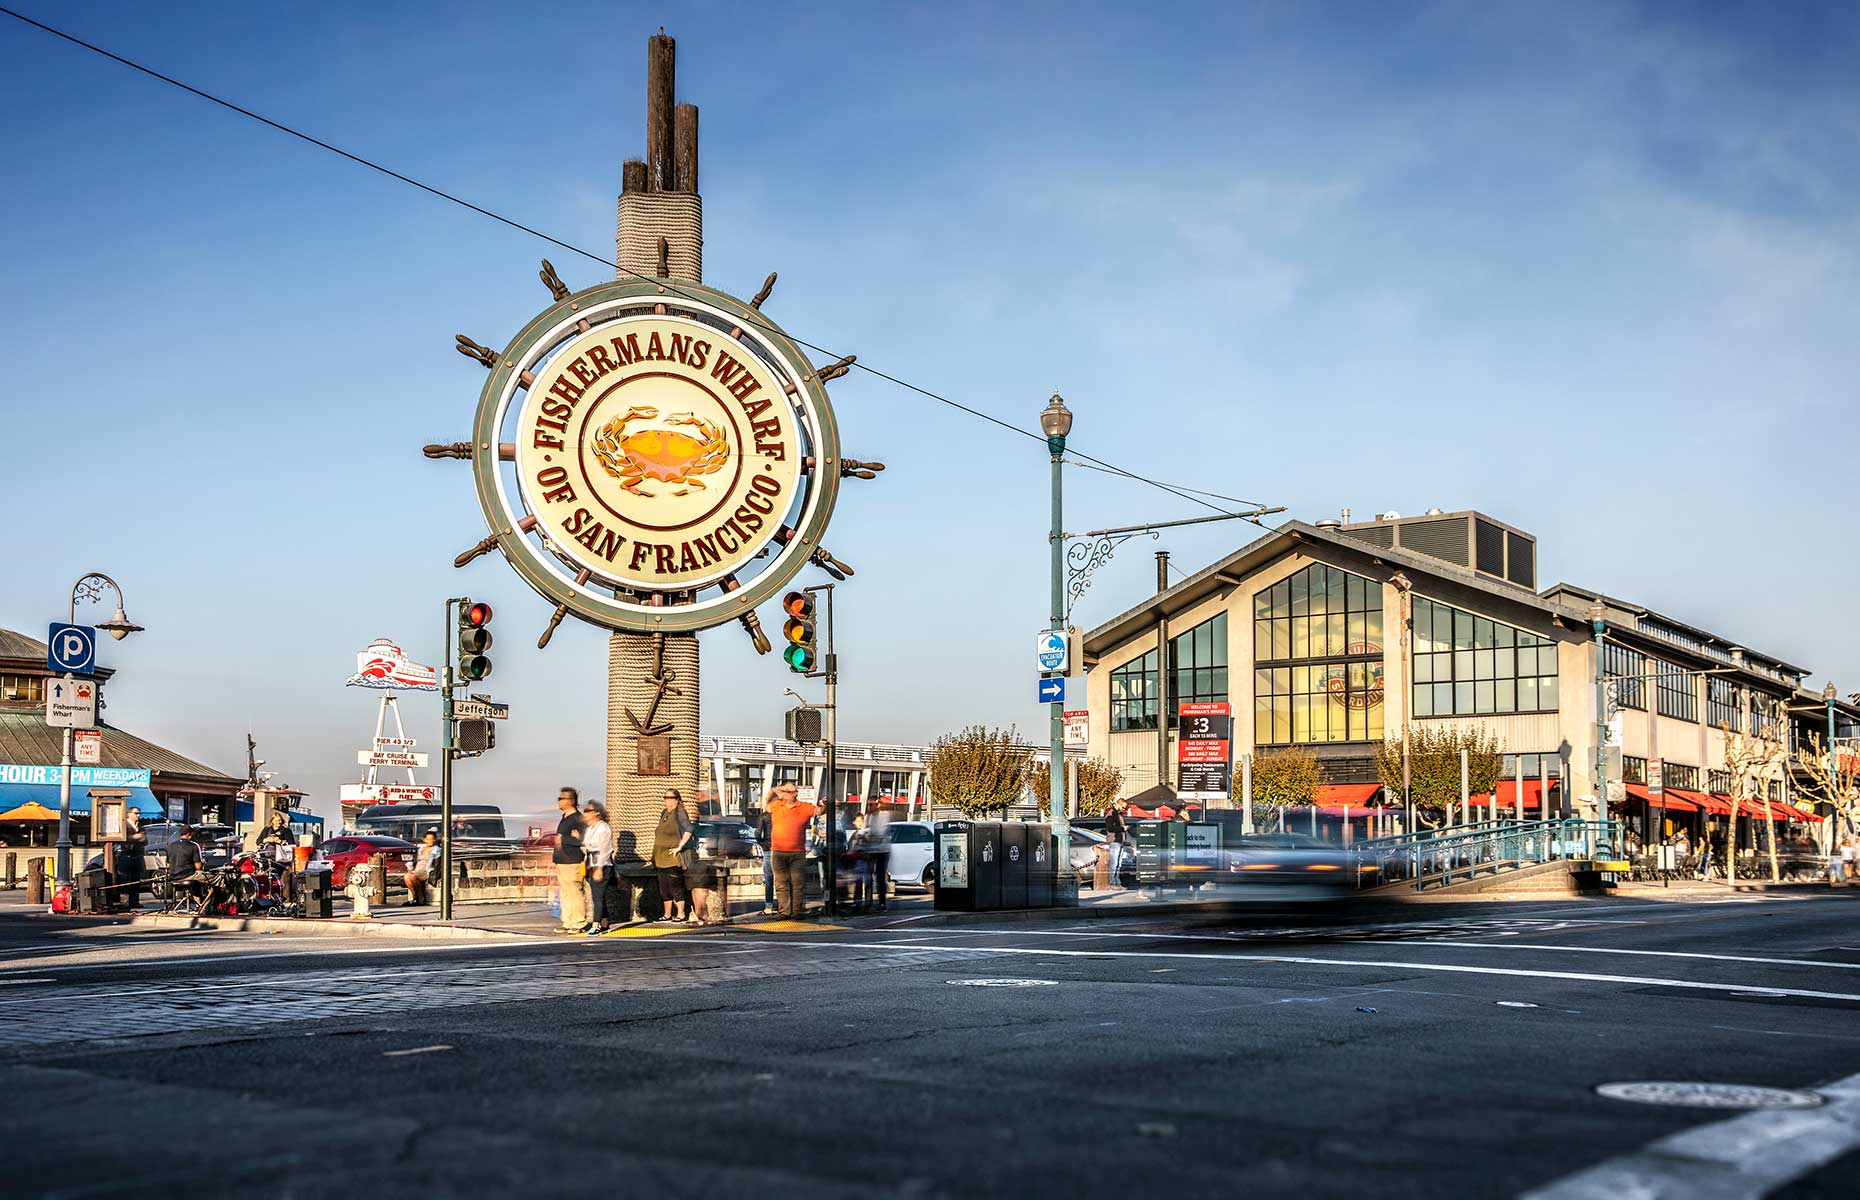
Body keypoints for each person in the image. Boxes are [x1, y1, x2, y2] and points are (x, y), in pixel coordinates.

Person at [767, 782, 819, 919]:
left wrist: (824, 804)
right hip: (778, 851)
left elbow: (819, 811)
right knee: (780, 883)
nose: (785, 794)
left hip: (797, 852)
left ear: (795, 793)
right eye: (784, 792)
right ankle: (784, 911)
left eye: (788, 792)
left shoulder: (805, 807)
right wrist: (774, 790)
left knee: (798, 883)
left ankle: (797, 911)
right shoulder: (777, 805)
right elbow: (765, 804)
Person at [650, 788, 693, 923]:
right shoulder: (664, 813)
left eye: (670, 797)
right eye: (665, 797)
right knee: (664, 888)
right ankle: (667, 914)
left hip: (672, 857)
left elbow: (689, 829)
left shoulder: (679, 812)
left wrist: (679, 847)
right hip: (660, 857)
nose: (667, 800)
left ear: (677, 799)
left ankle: (680, 914)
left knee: (675, 886)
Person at [552, 787, 590, 934]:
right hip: (561, 861)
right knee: (565, 893)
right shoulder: (565, 818)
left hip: (573, 861)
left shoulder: (578, 819)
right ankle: (567, 921)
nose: (559, 801)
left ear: (571, 801)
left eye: (562, 798)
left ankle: (578, 922)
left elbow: (583, 840)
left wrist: (564, 839)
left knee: (575, 892)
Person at [581, 801, 615, 933]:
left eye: (588, 811)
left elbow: (605, 849)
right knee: (597, 895)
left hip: (601, 864)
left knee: (598, 896)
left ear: (596, 812)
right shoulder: (590, 828)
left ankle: (596, 925)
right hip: (590, 863)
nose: (586, 814)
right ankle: (605, 922)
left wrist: (599, 868)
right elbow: (586, 846)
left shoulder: (603, 828)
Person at [117, 807, 147, 910]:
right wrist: (135, 837)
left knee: (136, 879)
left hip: (138, 855)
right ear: (129, 814)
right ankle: (123, 901)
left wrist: (136, 837)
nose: (138, 815)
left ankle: (134, 901)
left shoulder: (140, 826)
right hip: (126, 855)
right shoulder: (124, 825)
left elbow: (144, 839)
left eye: (139, 813)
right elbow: (124, 838)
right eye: (136, 813)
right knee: (124, 878)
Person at [402, 830, 440, 905]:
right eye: (428, 839)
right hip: (417, 870)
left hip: (427, 871)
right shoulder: (421, 849)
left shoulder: (437, 850)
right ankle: (415, 897)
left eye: (432, 839)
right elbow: (416, 861)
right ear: (424, 839)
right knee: (407, 877)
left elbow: (437, 864)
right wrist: (411, 868)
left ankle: (420, 896)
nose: (430, 841)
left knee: (412, 877)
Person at [866, 813, 892, 912]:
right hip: (871, 851)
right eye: (869, 804)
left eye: (872, 804)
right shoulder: (868, 817)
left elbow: (882, 833)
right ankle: (869, 902)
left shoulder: (884, 816)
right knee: (868, 878)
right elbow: (864, 832)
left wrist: (871, 836)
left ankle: (882, 902)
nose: (870, 807)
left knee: (880, 878)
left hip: (882, 851)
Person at [756, 808, 776, 915]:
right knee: (782, 878)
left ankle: (769, 906)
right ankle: (786, 906)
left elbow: (757, 833)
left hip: (768, 848)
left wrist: (763, 844)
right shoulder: (782, 814)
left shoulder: (764, 816)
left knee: (768, 878)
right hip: (781, 848)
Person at [1103, 807, 1127, 886]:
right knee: (1114, 862)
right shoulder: (1111, 814)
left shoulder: (1119, 814)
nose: (1124, 809)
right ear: (1118, 804)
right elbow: (1110, 828)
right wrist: (1122, 828)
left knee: (1119, 863)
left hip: (1120, 840)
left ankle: (1117, 882)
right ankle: (1112, 882)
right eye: (1123, 807)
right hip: (1114, 840)